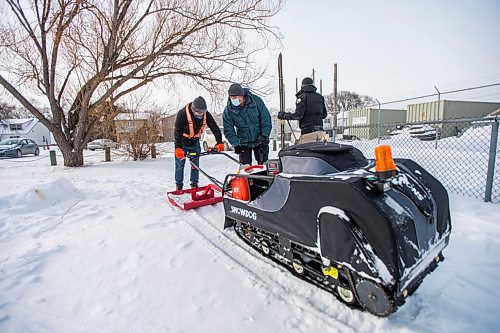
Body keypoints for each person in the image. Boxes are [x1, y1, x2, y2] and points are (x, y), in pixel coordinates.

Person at [174, 96, 224, 191]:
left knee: (195, 164)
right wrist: (178, 147)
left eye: (202, 112)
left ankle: (194, 184)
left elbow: (214, 127)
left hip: (194, 142)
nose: (200, 114)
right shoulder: (182, 114)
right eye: (198, 112)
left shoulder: (206, 114)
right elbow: (177, 131)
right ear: (193, 109)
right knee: (179, 165)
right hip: (182, 142)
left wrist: (219, 142)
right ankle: (179, 186)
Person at [223, 83, 272, 165]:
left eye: (235, 98)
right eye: (231, 98)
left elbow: (265, 118)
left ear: (242, 95)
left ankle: (262, 177)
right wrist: (236, 144)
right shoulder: (229, 110)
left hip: (259, 138)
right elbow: (228, 129)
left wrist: (265, 134)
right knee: (245, 167)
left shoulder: (256, 101)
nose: (233, 100)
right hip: (243, 142)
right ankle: (247, 178)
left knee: (263, 165)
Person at [277, 77, 327, 143]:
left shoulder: (302, 97)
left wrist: (284, 115)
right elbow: (324, 115)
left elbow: (298, 115)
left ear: (302, 86)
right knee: (317, 152)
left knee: (307, 152)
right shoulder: (320, 97)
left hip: (308, 132)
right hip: (320, 131)